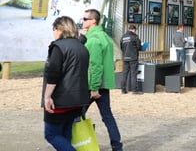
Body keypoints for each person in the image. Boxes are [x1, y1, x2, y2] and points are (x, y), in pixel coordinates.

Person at [42, 16, 90, 151]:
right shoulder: (81, 48)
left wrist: (47, 96)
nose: (54, 32)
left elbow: (53, 73)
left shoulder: (58, 47)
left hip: (60, 99)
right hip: (77, 99)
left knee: (51, 134)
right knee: (66, 133)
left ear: (61, 30)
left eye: (55, 29)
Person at [82, 8, 123, 151]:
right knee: (108, 117)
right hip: (104, 84)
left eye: (85, 19)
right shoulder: (105, 37)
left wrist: (93, 87)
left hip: (93, 85)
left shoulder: (93, 40)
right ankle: (117, 147)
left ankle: (83, 143)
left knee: (76, 116)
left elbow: (95, 66)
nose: (82, 21)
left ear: (93, 21)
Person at [120, 24, 142, 93]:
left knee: (124, 74)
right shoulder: (135, 37)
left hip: (125, 57)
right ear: (133, 30)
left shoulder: (123, 37)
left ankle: (123, 90)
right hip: (133, 58)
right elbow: (139, 47)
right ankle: (135, 90)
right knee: (133, 74)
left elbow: (121, 47)